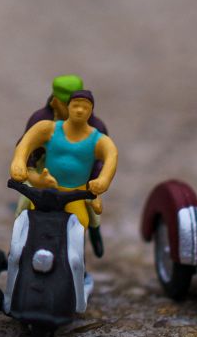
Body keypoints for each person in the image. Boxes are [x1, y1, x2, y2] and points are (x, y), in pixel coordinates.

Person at [10, 91, 118, 255]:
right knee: (27, 218)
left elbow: (111, 156)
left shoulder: (98, 139)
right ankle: (19, 254)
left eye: (85, 107)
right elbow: (27, 142)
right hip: (46, 192)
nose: (80, 110)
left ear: (91, 110)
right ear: (68, 107)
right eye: (75, 106)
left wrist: (103, 180)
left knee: (81, 223)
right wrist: (19, 162)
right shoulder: (49, 128)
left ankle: (79, 257)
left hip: (76, 193)